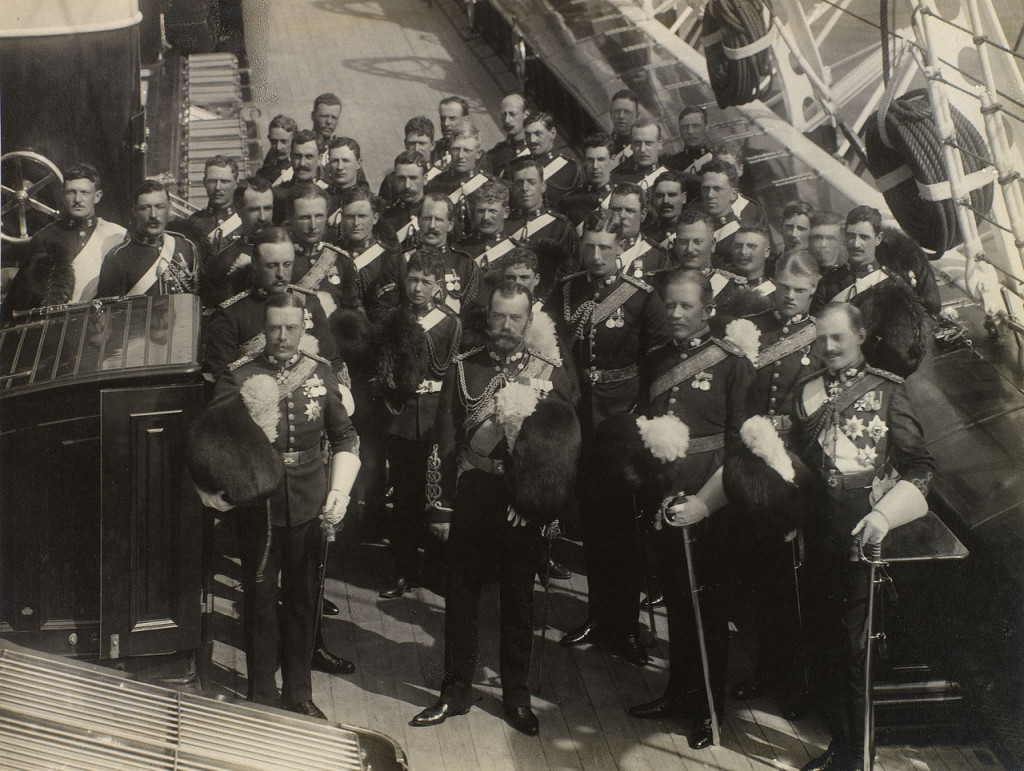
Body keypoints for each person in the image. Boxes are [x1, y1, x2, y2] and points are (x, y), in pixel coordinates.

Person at [411, 283, 579, 736]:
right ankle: (455, 692)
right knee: (461, 599)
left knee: (519, 605)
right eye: (499, 318)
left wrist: (537, 502)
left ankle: (517, 697)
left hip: (521, 505)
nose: (506, 327)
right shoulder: (466, 368)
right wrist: (441, 507)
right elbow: (445, 441)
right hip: (475, 494)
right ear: (488, 319)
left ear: (529, 321)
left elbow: (562, 447)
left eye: (516, 319)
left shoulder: (549, 372)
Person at [792, 302, 933, 771]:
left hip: (861, 536)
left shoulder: (890, 392)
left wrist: (886, 517)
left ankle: (856, 756)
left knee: (853, 651)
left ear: (860, 335)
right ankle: (842, 741)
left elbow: (920, 468)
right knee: (823, 642)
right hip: (815, 533)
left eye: (838, 338)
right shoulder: (806, 391)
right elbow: (799, 464)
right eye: (821, 339)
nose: (828, 348)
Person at [209, 292, 361, 718]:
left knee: (302, 602)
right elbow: (214, 442)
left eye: (291, 328)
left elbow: (346, 436)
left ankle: (298, 694)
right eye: (274, 327)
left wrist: (339, 491)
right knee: (258, 603)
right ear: (263, 328)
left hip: (309, 504)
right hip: (259, 509)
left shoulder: (321, 373)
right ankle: (260, 695)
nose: (282, 336)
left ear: (304, 328)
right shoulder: (238, 376)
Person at [627, 269, 756, 751]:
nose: (676, 315)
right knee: (678, 600)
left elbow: (741, 445)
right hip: (664, 497)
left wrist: (704, 502)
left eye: (686, 307)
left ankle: (707, 709)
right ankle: (678, 693)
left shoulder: (731, 364)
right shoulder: (658, 358)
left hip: (710, 504)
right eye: (670, 306)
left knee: (707, 608)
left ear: (709, 310)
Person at [549, 210, 671, 667]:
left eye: (605, 247)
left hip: (622, 420)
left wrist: (642, 416)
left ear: (622, 248)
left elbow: (659, 365)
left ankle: (626, 627)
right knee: (594, 527)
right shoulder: (567, 291)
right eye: (589, 247)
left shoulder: (642, 298)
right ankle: (598, 616)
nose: (596, 256)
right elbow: (554, 348)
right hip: (579, 416)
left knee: (624, 528)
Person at [728, 250, 821, 716]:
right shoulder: (751, 326)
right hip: (749, 455)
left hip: (795, 463)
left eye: (799, 290)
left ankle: (792, 676)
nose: (788, 297)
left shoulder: (822, 339)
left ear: (814, 291)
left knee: (792, 577)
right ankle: (763, 666)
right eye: (783, 287)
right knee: (757, 570)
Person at [375, 248, 461, 598]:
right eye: (413, 280)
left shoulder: (450, 322)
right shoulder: (393, 318)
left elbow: (454, 372)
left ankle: (437, 569)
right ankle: (404, 569)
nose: (418, 288)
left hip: (437, 417)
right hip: (402, 416)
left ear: (439, 285)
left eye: (427, 281)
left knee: (438, 496)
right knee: (406, 499)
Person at [203, 227, 346, 384]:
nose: (281, 274)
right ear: (255, 264)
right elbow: (223, 378)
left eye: (287, 264)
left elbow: (332, 361)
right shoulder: (232, 313)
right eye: (272, 265)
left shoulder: (309, 302)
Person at [3, 163, 126, 317]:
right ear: (62, 194)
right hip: (58, 326)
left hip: (101, 323)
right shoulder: (44, 238)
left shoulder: (116, 234)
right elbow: (23, 295)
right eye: (71, 192)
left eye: (85, 192)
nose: (77, 199)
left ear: (97, 196)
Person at [375, 193, 479, 316]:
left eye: (439, 220)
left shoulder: (465, 264)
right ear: (418, 221)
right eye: (427, 218)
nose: (432, 226)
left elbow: (474, 316)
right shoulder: (399, 261)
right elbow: (382, 310)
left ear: (450, 225)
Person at [96, 180, 198, 298]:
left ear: (169, 208)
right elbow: (109, 312)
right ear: (134, 211)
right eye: (145, 208)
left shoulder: (185, 246)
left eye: (160, 207)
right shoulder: (118, 258)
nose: (153, 215)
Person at [507, 157, 580, 297]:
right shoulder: (506, 224)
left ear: (543, 186)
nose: (524, 188)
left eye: (531, 182)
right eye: (519, 183)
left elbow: (572, 275)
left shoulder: (560, 227)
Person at [287, 183, 360, 318]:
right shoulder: (279, 259)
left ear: (327, 215)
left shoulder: (342, 260)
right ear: (291, 218)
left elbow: (351, 312)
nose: (313, 225)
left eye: (319, 216)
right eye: (305, 217)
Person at [204, 176, 276, 308]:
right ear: (238, 209)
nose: (263, 217)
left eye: (267, 209)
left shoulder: (288, 248)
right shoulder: (225, 258)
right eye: (254, 209)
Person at [811, 206, 895, 315]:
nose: (856, 244)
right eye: (851, 236)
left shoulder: (891, 285)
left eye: (864, 237)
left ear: (878, 239)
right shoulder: (828, 284)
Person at [426, 125, 497, 240]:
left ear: (478, 153)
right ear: (449, 150)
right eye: (456, 149)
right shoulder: (435, 184)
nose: (460, 156)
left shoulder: (489, 185)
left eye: (467, 150)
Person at [336, 187, 396, 306]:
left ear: (375, 218)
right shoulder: (332, 255)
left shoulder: (390, 258)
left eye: (362, 216)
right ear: (342, 218)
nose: (356, 223)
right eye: (349, 217)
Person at [608, 183, 671, 282]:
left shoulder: (656, 255)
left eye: (629, 211)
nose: (622, 216)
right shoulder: (594, 249)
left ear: (643, 214)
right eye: (616, 209)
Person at [522, 111, 584, 209]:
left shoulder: (570, 168)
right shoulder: (515, 167)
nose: (532, 140)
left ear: (553, 133)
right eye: (528, 135)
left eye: (538, 134)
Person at [558, 133, 617, 228]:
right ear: (584, 161)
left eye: (601, 159)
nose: (595, 166)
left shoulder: (620, 197)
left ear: (613, 160)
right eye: (590, 160)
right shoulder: (571, 202)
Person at [714, 225, 776, 311]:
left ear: (767, 252)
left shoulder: (775, 293)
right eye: (738, 246)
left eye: (751, 246)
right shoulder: (718, 286)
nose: (743, 252)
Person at [456, 181, 515, 271]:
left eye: (492, 211)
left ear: (506, 212)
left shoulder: (515, 250)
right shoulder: (460, 251)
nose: (485, 217)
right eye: (480, 211)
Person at [379, 116, 435, 204]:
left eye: (422, 143)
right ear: (405, 144)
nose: (416, 149)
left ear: (432, 145)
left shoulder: (441, 177)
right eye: (412, 143)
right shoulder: (391, 181)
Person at [187, 156, 241, 248]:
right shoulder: (192, 224)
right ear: (204, 183)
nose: (217, 187)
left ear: (236, 184)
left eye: (224, 181)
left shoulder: (245, 219)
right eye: (212, 181)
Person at [381, 151, 429, 246]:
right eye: (401, 178)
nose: (407, 186)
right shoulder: (386, 219)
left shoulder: (437, 213)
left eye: (413, 178)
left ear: (425, 179)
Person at [324, 137, 369, 226]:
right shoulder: (321, 199)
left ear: (358, 163)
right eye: (335, 161)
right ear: (328, 164)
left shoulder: (369, 202)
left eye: (345, 160)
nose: (340, 167)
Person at [611, 119, 668, 190]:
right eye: (637, 143)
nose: (642, 149)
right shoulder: (617, 179)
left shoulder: (670, 179)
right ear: (631, 145)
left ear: (660, 144)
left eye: (648, 143)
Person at [486, 92, 530, 179]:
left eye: (512, 114)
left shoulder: (534, 150)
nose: (507, 120)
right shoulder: (494, 154)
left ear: (526, 114)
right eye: (503, 114)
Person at [642, 170, 689, 248]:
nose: (666, 201)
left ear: (683, 198)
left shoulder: (692, 228)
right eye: (660, 196)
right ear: (653, 199)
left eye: (672, 195)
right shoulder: (646, 235)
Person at [664, 106, 712, 174]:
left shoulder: (715, 160)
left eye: (696, 126)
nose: (690, 131)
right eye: (685, 127)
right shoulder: (670, 165)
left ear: (706, 128)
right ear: (680, 130)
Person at [257, 114, 298, 187]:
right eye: (274, 142)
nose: (278, 147)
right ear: (269, 139)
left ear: (294, 139)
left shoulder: (299, 170)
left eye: (284, 141)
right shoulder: (263, 172)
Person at [808, 210, 846, 280]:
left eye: (830, 239)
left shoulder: (846, 276)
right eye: (817, 238)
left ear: (841, 241)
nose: (823, 244)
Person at [609, 88, 641, 164]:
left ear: (637, 116)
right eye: (617, 111)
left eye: (627, 112)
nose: (621, 116)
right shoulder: (603, 146)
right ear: (611, 114)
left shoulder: (642, 147)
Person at [311, 92, 343, 157]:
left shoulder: (342, 150)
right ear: (313, 116)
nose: (329, 122)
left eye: (334, 117)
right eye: (324, 116)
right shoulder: (298, 144)